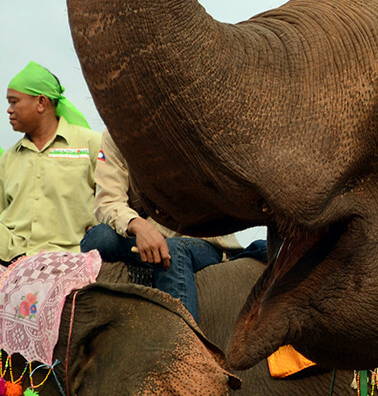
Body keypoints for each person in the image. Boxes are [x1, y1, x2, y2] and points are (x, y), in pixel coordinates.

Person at [80, 128, 248, 320]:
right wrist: (138, 225)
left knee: (173, 251)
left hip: (197, 236)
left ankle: (184, 344)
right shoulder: (115, 134)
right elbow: (107, 201)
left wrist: (155, 234)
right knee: (99, 238)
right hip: (143, 235)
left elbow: (199, 206)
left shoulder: (191, 127)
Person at [1, 61, 101, 264]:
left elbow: (110, 197)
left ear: (41, 102)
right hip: (11, 259)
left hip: (71, 257)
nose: (9, 110)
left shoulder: (91, 144)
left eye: (14, 102)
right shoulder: (8, 158)